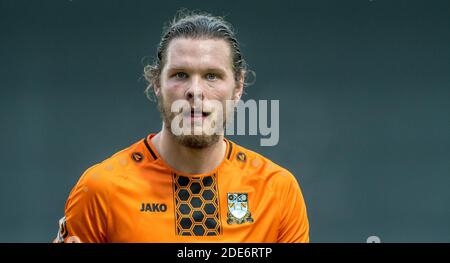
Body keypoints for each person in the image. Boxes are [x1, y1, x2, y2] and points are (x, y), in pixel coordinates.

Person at [54, 10, 309, 243]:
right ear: (156, 83)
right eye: (180, 75)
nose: (195, 91)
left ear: (238, 86)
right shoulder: (101, 190)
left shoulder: (277, 190)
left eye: (212, 75)